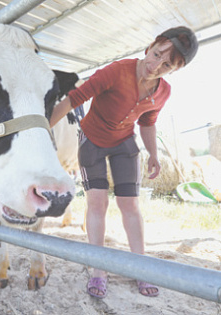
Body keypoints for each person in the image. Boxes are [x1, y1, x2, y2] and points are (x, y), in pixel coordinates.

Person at [50, 26, 198, 298]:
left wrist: (153, 154)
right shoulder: (116, 71)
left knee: (129, 204)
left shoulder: (163, 92)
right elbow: (75, 99)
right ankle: (98, 270)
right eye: (155, 55)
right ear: (150, 46)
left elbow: (148, 122)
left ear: (173, 71)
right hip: (92, 140)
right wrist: (44, 127)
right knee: (98, 202)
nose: (155, 66)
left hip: (124, 143)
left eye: (165, 65)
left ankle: (140, 268)